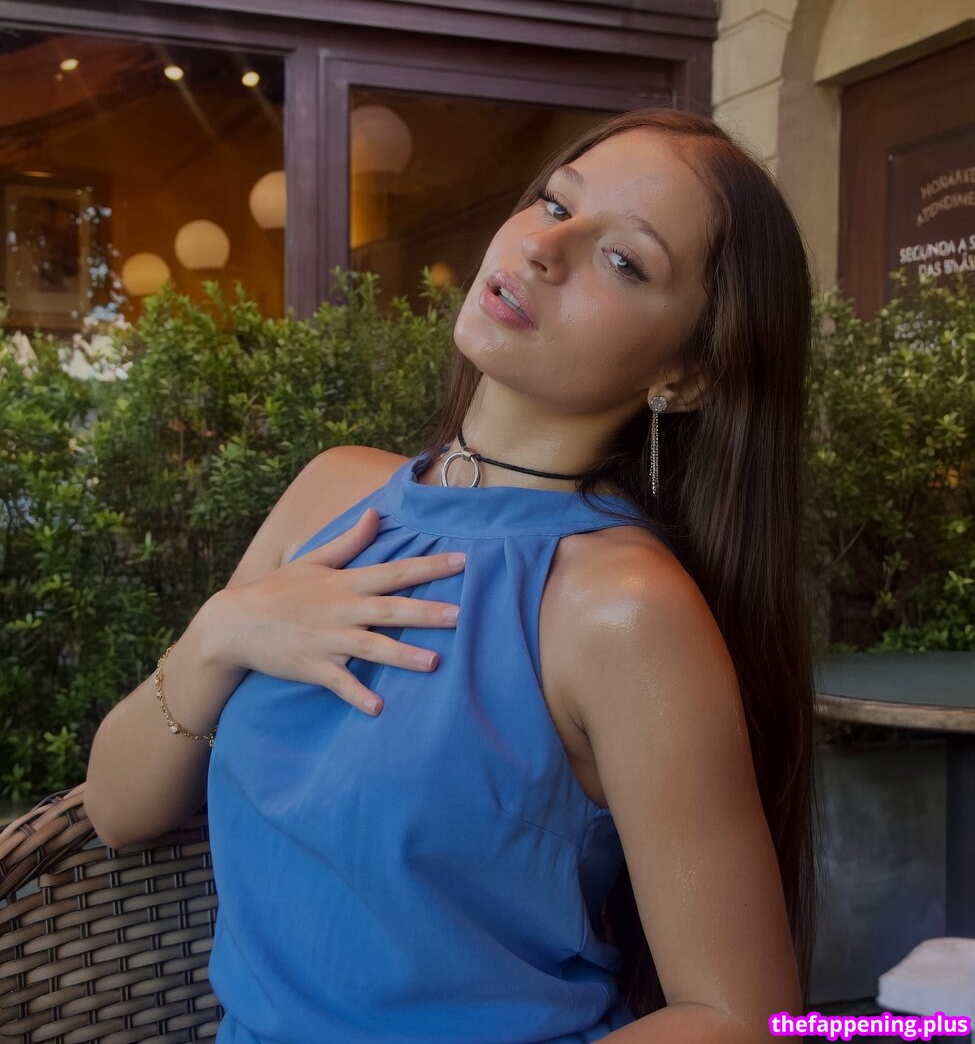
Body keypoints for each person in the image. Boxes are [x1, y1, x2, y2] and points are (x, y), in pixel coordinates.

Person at [85, 106, 821, 1043]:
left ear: (686, 375)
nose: (544, 248)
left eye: (623, 260)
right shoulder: (331, 493)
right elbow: (116, 809)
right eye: (554, 203)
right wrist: (222, 631)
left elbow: (743, 1017)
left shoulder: (618, 607)